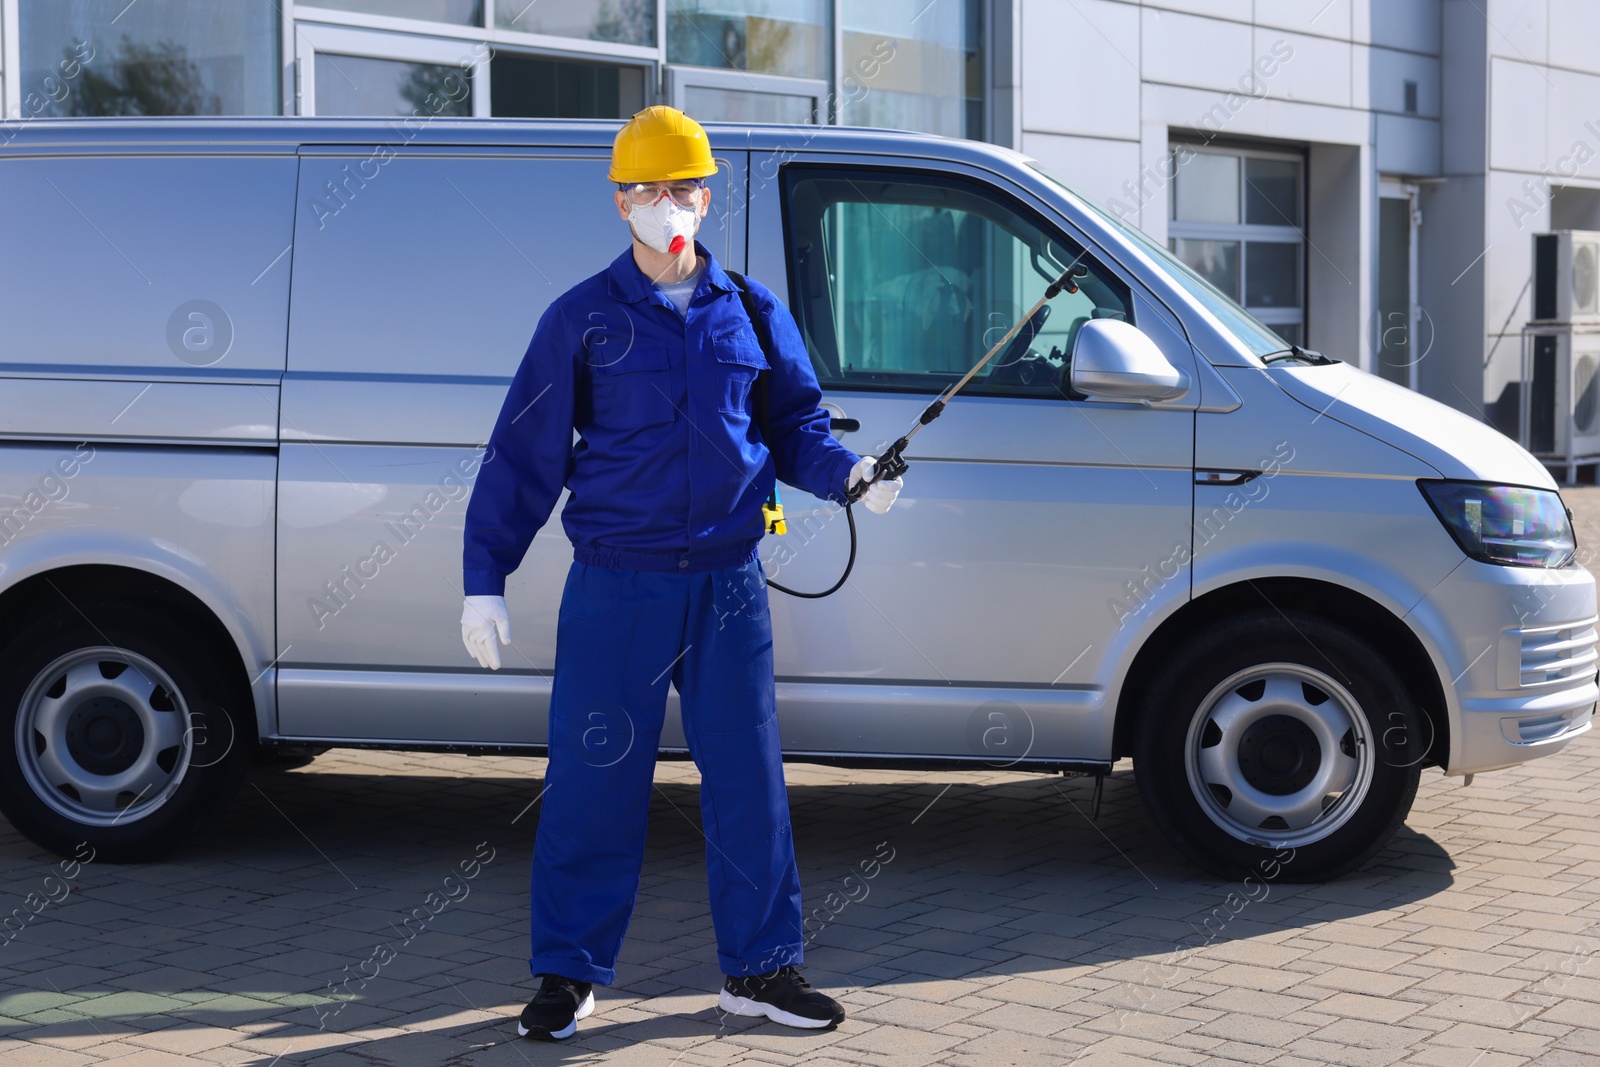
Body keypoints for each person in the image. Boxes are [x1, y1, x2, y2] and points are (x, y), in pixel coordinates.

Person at [458, 106, 903, 1042]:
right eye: (653, 189)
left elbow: (796, 429)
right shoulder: (578, 318)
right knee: (593, 776)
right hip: (618, 582)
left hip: (729, 584)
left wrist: (849, 478)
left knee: (748, 777)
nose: (672, 205)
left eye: (687, 187)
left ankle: (761, 969)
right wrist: (483, 577)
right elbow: (522, 455)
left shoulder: (749, 307)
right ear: (621, 201)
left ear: (709, 196)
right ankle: (567, 975)